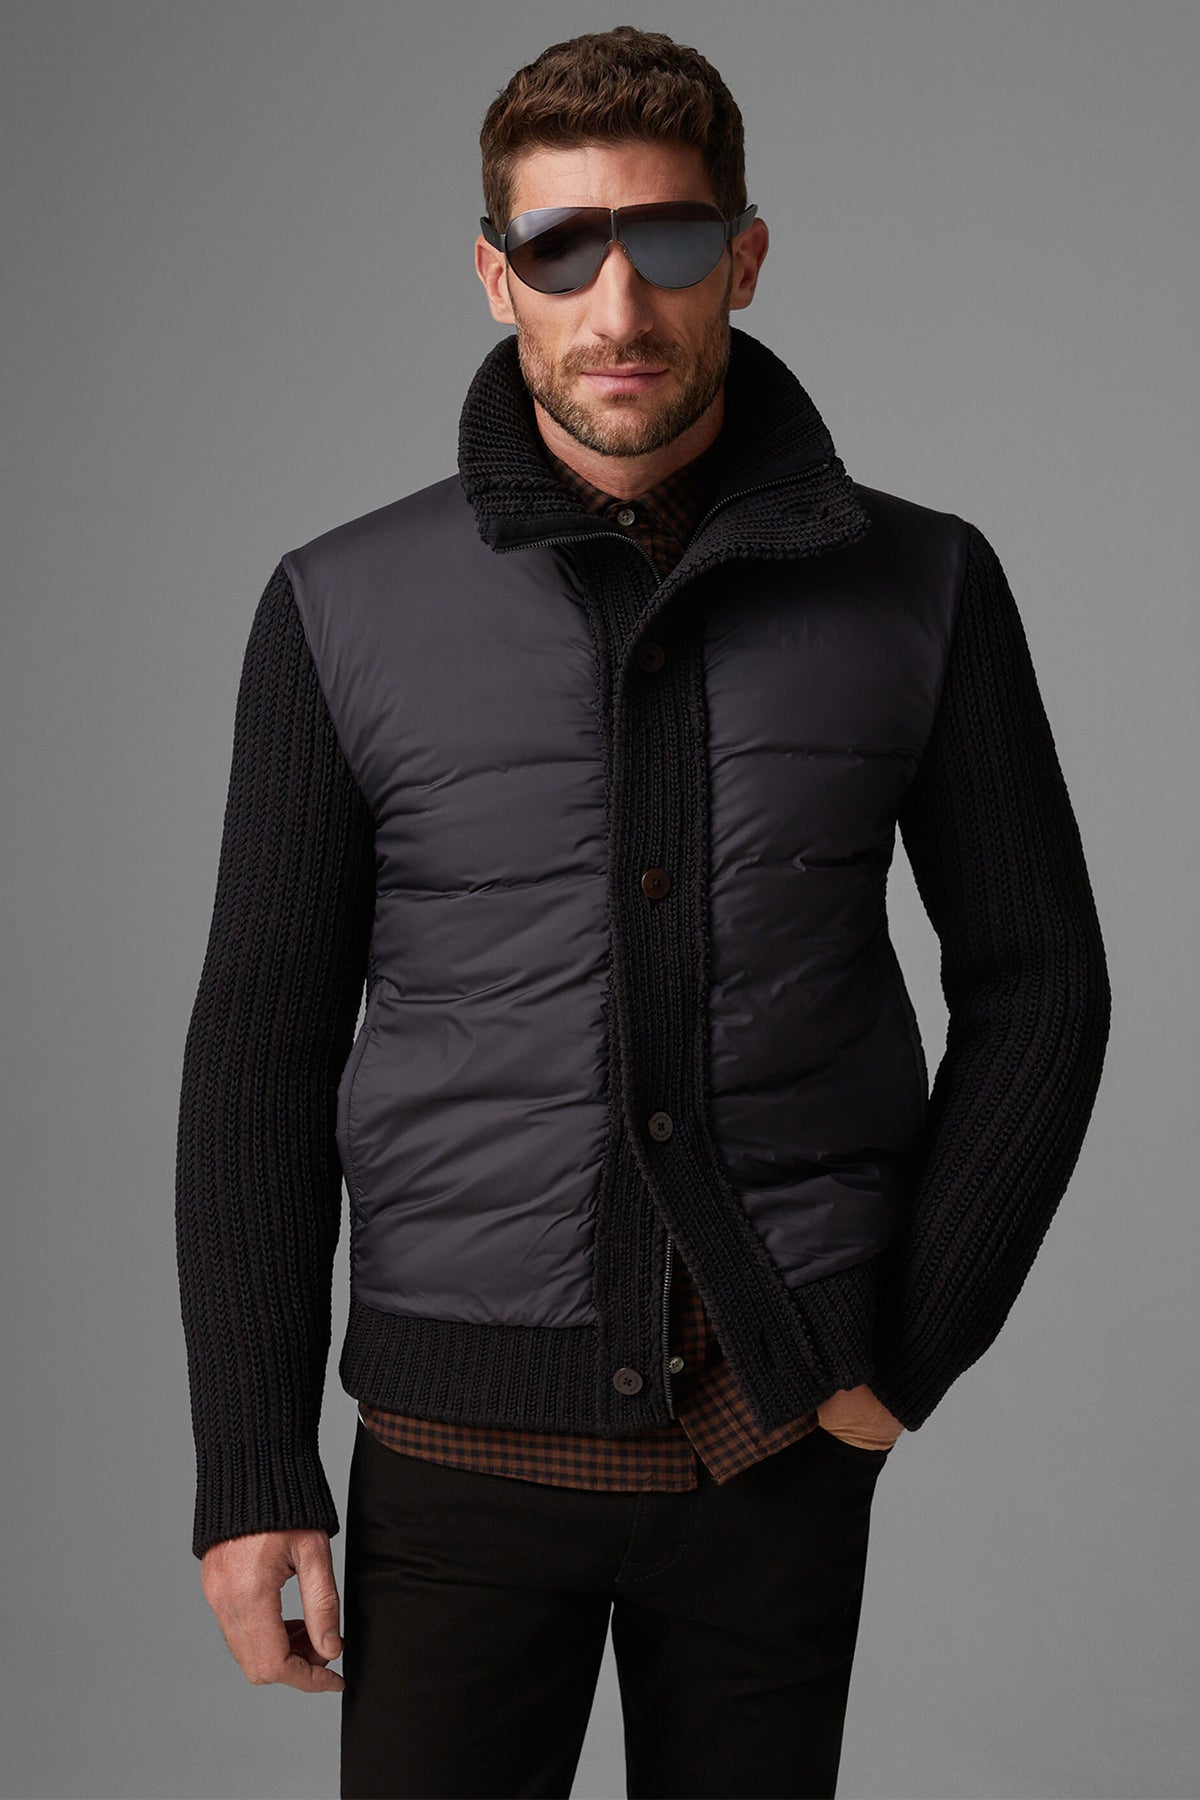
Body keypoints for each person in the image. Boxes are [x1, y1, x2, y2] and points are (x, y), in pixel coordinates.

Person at [175, 26, 1111, 1800]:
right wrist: (251, 1462)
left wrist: (908, 1353)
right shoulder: (338, 607)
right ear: (495, 273)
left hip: (778, 1432)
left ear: (743, 257)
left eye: (670, 243)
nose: (619, 306)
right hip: (453, 1452)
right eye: (561, 248)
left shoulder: (927, 585)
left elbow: (1043, 981)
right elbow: (261, 1048)